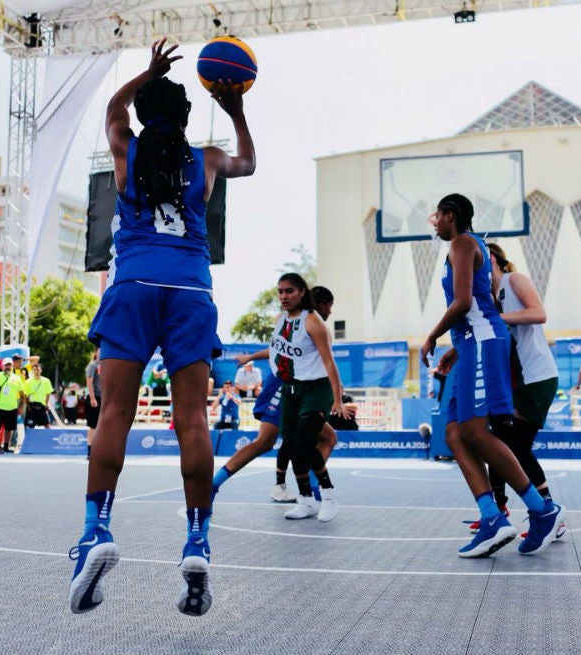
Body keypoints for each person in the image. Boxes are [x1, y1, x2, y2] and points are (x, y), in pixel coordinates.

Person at [68, 38, 255, 617]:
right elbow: (248, 162)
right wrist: (236, 110)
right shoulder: (207, 159)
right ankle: (197, 541)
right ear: (188, 116)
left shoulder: (127, 150)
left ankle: (97, 531)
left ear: (146, 114)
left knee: (114, 414)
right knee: (192, 418)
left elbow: (111, 114)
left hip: (135, 286)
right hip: (191, 290)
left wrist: (143, 75)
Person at [420, 193, 564, 558]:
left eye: (435, 216)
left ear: (450, 215)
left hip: (483, 343)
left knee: (474, 431)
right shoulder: (466, 245)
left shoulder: (463, 242)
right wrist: (455, 347)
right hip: (472, 344)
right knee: (453, 433)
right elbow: (476, 307)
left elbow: (465, 302)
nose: (432, 222)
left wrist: (433, 335)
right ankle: (492, 517)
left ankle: (542, 510)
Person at [466, 242, 566, 538]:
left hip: (537, 377)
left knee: (517, 448)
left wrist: (497, 319)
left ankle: (549, 513)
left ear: (491, 259)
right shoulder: (490, 298)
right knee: (497, 443)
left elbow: (539, 313)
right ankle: (499, 511)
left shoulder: (514, 280)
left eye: (475, 264)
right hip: (514, 383)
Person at [212, 286, 339, 503]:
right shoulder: (303, 324)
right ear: (323, 305)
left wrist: (251, 356)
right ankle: (213, 484)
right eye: (330, 306)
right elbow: (278, 349)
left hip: (299, 392)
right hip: (283, 389)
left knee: (326, 437)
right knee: (265, 442)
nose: (331, 311)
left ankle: (310, 489)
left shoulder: (307, 325)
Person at [264, 273, 347, 523]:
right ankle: (306, 501)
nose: (284, 296)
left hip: (316, 389)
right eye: (280, 292)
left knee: (302, 441)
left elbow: (329, 362)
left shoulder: (313, 321)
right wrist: (249, 358)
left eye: (289, 291)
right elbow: (273, 351)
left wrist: (338, 399)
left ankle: (328, 495)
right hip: (291, 389)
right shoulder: (281, 320)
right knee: (291, 444)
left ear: (302, 291)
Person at [0, 358, 26, 452]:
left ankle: (6, 446)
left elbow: (22, 395)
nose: (8, 367)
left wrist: (20, 407)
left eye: (10, 365)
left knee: (9, 428)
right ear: (2, 366)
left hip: (11, 407)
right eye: (6, 365)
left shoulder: (17, 378)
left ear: (12, 366)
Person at [24, 363, 54, 428]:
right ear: (32, 371)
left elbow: (48, 394)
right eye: (34, 370)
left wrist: (46, 404)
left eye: (38, 369)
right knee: (29, 426)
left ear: (41, 370)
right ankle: (30, 438)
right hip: (32, 406)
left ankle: (49, 437)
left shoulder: (46, 381)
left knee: (47, 425)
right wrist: (28, 406)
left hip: (41, 406)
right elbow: (25, 395)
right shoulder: (28, 382)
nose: (36, 371)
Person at [84, 348, 101, 459]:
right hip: (94, 398)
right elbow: (89, 381)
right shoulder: (93, 365)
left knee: (101, 426)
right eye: (100, 350)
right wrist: (92, 398)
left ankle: (99, 450)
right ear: (96, 352)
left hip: (103, 398)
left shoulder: (104, 365)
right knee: (93, 426)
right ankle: (90, 451)